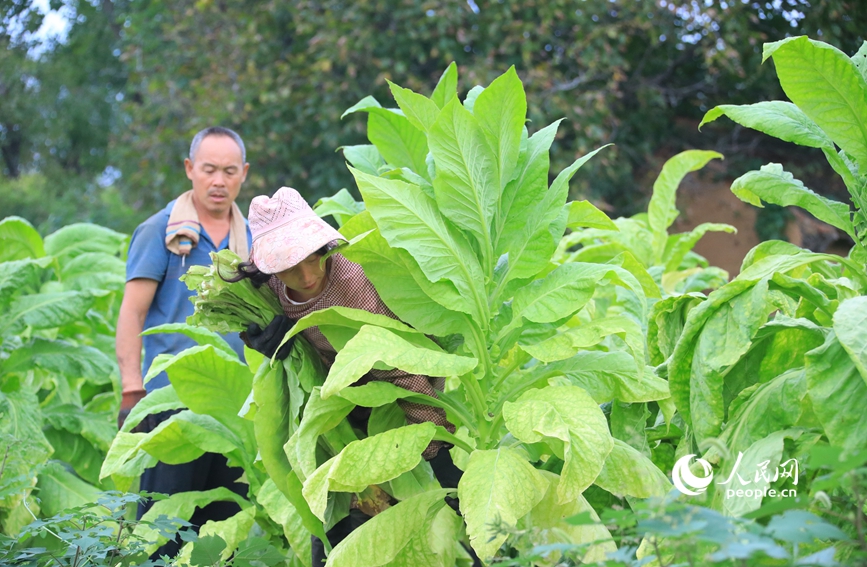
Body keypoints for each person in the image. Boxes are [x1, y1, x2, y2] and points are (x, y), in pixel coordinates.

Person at [230, 187, 465, 566]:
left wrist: (432, 442)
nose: (306, 275)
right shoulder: (268, 289)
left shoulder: (353, 283)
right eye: (289, 265)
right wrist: (262, 341)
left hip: (400, 395)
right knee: (337, 526)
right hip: (334, 407)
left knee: (432, 508)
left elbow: (400, 367)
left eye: (312, 258)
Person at [115, 126, 252, 558]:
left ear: (243, 174)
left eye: (229, 171)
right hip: (171, 404)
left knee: (225, 531)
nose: (219, 181)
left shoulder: (251, 241)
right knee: (164, 529)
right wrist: (132, 391)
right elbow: (132, 313)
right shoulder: (160, 232)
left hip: (235, 406)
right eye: (209, 169)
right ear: (190, 169)